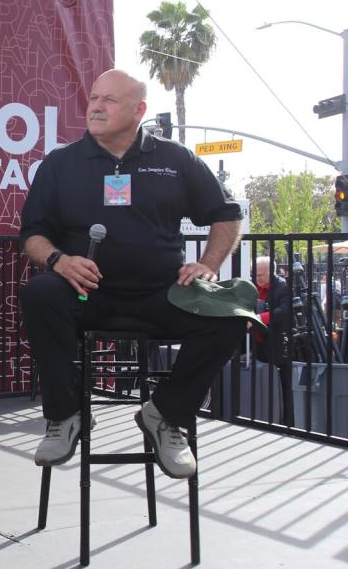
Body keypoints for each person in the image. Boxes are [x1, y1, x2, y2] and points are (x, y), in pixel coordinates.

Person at [18, 69, 247, 479]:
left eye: (109, 99)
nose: (96, 106)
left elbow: (227, 215)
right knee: (40, 294)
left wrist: (209, 264)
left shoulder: (175, 159)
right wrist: (59, 261)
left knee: (231, 315)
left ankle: (165, 414)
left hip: (163, 292)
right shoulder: (61, 163)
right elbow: (33, 235)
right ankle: (66, 415)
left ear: (139, 110)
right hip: (88, 293)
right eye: (93, 98)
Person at [252, 256, 293, 424]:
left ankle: (285, 421)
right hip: (259, 342)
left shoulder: (282, 287)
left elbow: (284, 311)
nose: (257, 278)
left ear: (271, 272)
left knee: (282, 383)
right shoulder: (253, 285)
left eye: (260, 275)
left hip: (277, 343)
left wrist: (260, 317)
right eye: (255, 274)